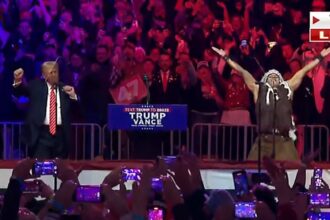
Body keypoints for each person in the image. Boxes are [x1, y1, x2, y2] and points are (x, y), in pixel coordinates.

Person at [212, 47, 330, 161]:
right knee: (251, 170)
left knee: (293, 169)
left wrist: (320, 57)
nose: (273, 78)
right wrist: (226, 57)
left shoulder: (287, 88)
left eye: (276, 77)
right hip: (263, 141)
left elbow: (304, 71)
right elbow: (242, 71)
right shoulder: (258, 89)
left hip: (283, 141)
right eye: (270, 76)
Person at [12, 61, 78, 159]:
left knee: (60, 169)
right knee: (41, 166)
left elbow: (76, 109)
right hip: (41, 135)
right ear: (44, 74)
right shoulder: (35, 86)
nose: (54, 75)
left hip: (60, 135)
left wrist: (73, 96)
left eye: (56, 72)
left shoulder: (65, 89)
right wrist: (17, 80)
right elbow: (20, 91)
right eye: (51, 72)